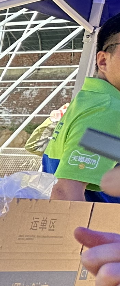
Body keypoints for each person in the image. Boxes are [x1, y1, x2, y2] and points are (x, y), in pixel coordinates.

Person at [45, 14, 120, 203]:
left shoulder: (92, 100)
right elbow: (66, 192)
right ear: (103, 61)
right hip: (98, 229)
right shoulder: (108, 110)